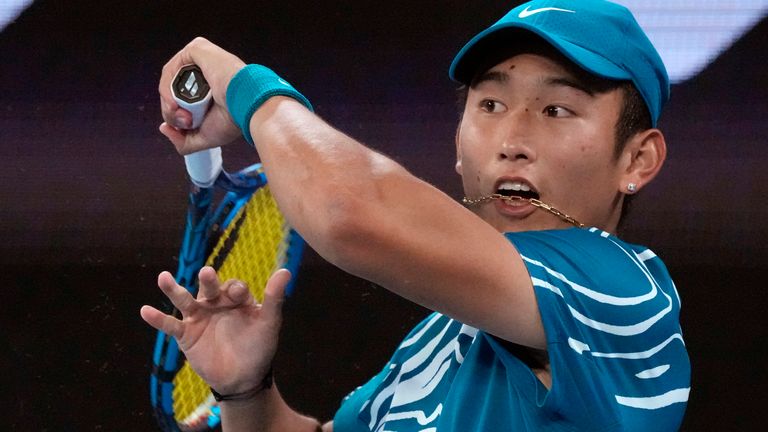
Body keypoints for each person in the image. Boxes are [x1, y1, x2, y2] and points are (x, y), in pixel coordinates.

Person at [141, 0, 691, 430]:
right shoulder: (439, 336)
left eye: (556, 110)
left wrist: (248, 90)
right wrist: (246, 393)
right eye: (490, 106)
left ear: (638, 160)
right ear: (458, 143)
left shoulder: (620, 295)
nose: (512, 140)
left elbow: (349, 210)